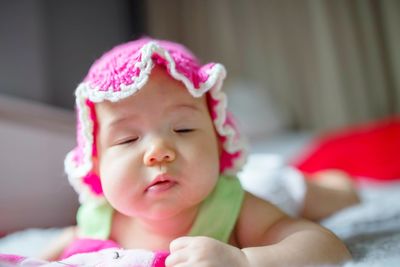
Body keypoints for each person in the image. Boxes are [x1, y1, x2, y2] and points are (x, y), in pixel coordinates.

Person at [41, 37, 357, 266]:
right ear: (95, 165)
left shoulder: (237, 208)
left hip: (270, 184)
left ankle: (335, 183)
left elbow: (326, 246)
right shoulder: (101, 219)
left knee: (323, 192)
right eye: (127, 140)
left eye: (183, 129)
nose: (159, 151)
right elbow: (70, 239)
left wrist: (244, 260)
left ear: (219, 141)